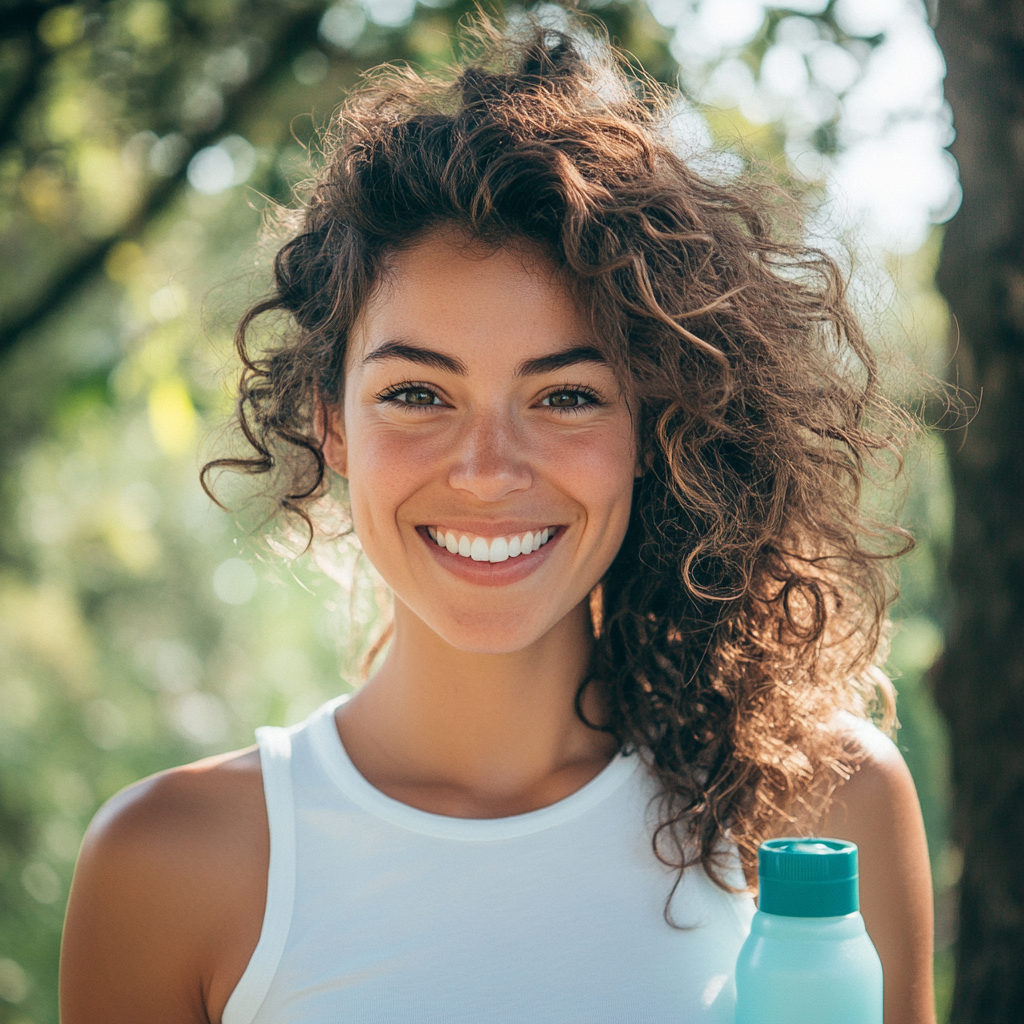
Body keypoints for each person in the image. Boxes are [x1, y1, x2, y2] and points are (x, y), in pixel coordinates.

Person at [60, 17, 935, 1024]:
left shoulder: (816, 813)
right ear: (330, 426)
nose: (485, 473)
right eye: (417, 396)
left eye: (565, 397)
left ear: (655, 430)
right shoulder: (171, 866)